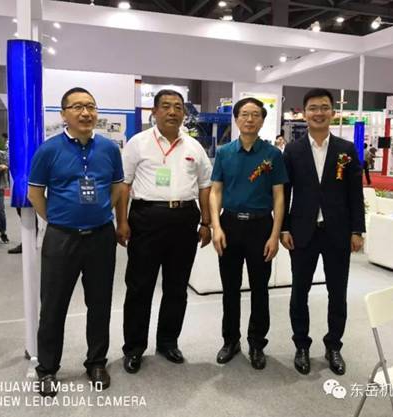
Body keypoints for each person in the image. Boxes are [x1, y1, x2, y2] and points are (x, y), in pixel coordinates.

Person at [27, 87, 125, 397]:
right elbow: (35, 194)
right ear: (64, 114)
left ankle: (96, 362)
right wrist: (59, 219)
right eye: (78, 107)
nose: (86, 113)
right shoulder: (48, 150)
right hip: (61, 239)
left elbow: (118, 188)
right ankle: (47, 369)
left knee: (100, 303)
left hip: (100, 237)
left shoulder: (109, 149)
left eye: (91, 106)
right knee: (53, 306)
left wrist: (102, 212)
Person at [120, 89, 212, 374]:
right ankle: (134, 347)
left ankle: (168, 342)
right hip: (146, 218)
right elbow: (124, 185)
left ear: (184, 113)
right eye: (166, 106)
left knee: (177, 287)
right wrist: (121, 221)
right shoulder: (138, 143)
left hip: (184, 219)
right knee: (140, 286)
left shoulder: (194, 147)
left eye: (178, 107)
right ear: (155, 111)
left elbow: (205, 186)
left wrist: (206, 222)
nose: (173, 112)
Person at [281, 88, 365, 376]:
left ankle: (334, 346)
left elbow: (355, 193)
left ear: (333, 112)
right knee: (299, 292)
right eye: (313, 108)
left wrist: (357, 230)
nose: (319, 113)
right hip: (302, 232)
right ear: (305, 113)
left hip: (337, 232)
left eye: (324, 107)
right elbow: (285, 193)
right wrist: (284, 228)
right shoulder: (293, 150)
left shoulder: (346, 149)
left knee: (337, 293)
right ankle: (301, 345)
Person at [209, 98, 287, 370]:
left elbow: (279, 196)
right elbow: (216, 191)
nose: (250, 119)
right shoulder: (224, 153)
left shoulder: (273, 155)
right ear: (236, 118)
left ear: (263, 120)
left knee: (260, 289)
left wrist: (274, 234)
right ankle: (230, 341)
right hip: (230, 225)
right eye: (244, 114)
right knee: (230, 288)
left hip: (260, 227)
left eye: (255, 114)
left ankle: (257, 343)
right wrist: (216, 227)